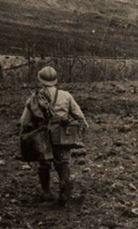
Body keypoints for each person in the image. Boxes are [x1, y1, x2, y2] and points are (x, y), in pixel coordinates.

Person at [19, 66, 88, 206]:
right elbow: (79, 116)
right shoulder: (66, 95)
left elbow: (23, 121)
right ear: (55, 80)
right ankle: (64, 184)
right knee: (63, 162)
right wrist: (84, 126)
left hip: (42, 137)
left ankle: (46, 192)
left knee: (43, 164)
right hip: (62, 135)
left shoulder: (34, 98)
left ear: (40, 80)